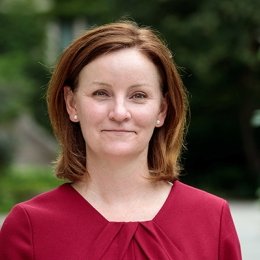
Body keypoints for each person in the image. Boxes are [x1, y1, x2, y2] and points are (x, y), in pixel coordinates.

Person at [0, 20, 241, 259]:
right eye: (101, 93)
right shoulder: (29, 227)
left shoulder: (211, 218)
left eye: (138, 95)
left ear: (162, 110)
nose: (119, 113)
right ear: (72, 104)